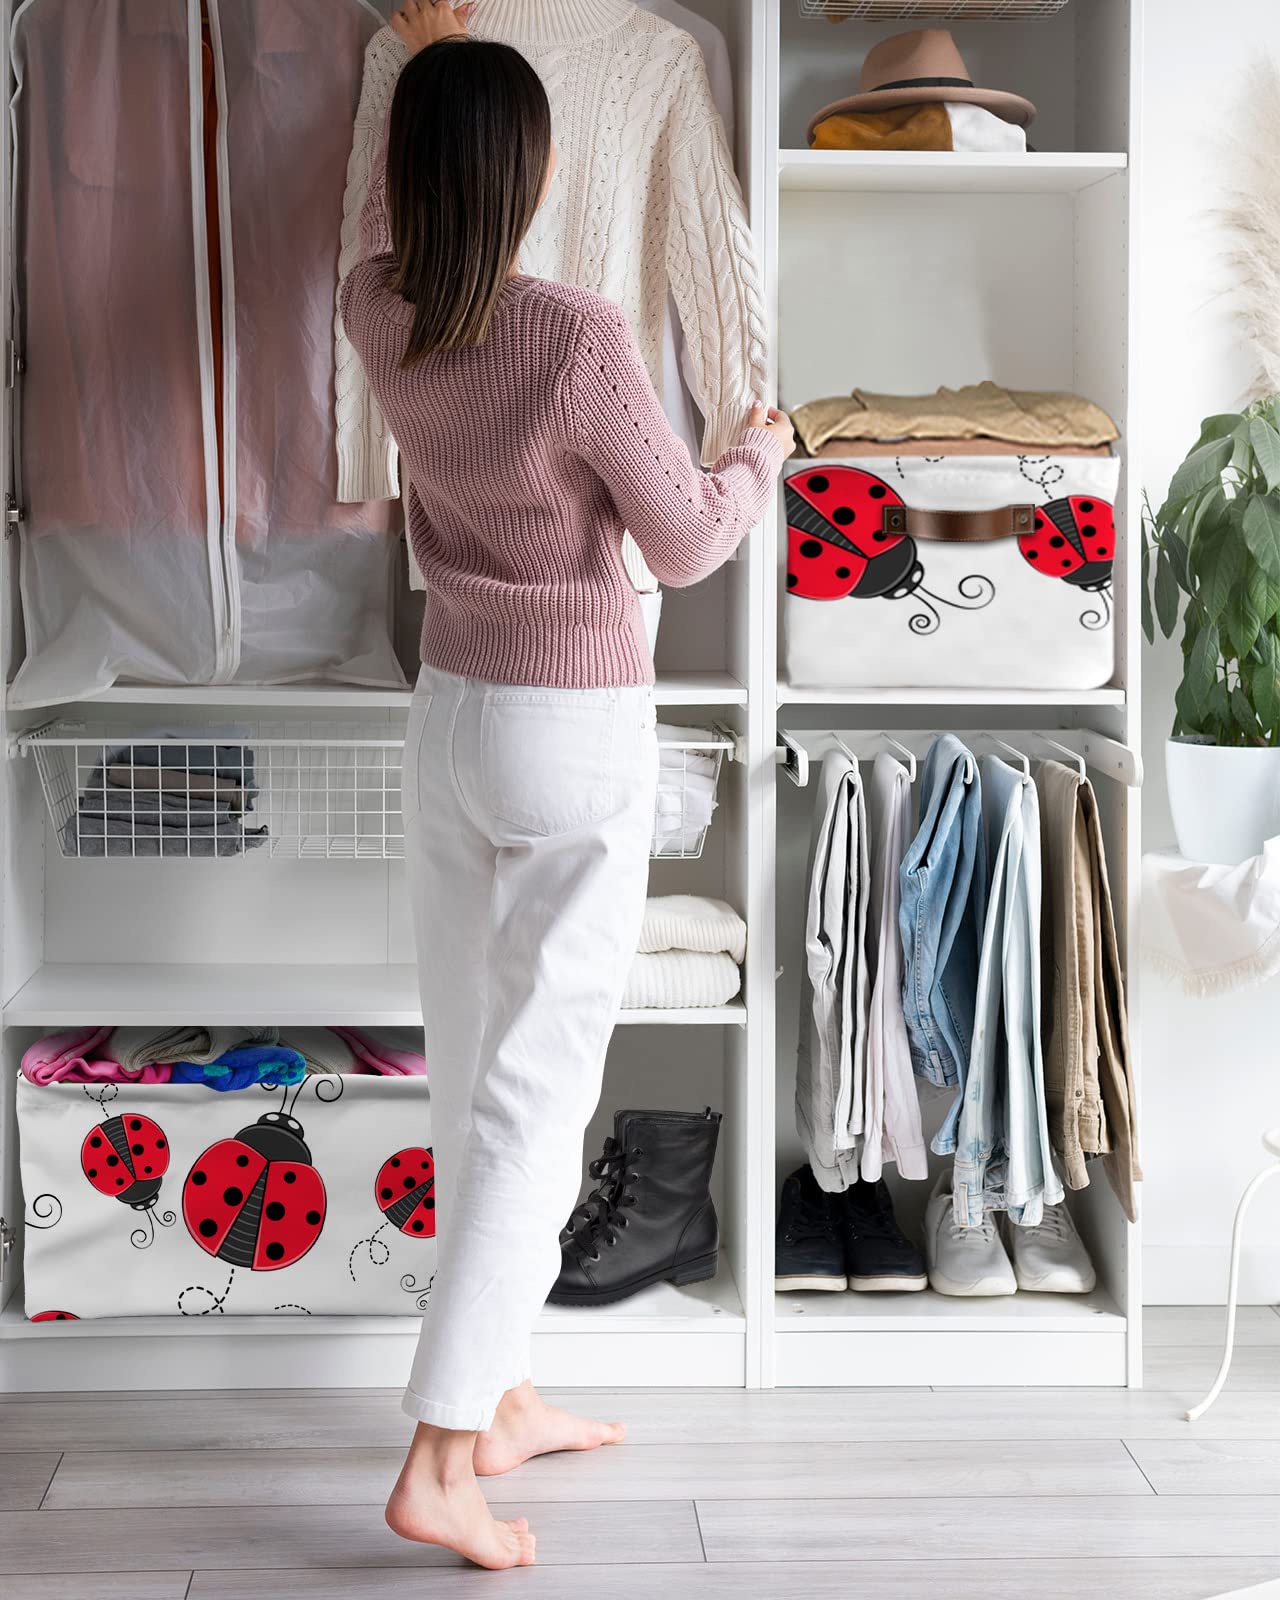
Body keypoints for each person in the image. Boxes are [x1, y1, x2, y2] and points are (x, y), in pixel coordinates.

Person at [340, 0, 792, 1570]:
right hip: (569, 714)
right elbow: (682, 540)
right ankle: (438, 1458)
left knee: (476, 1060)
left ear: (404, 176)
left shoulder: (371, 305)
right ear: (530, 176)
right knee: (540, 1096)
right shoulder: (581, 335)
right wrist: (760, 453)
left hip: (450, 706)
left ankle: (508, 1390)